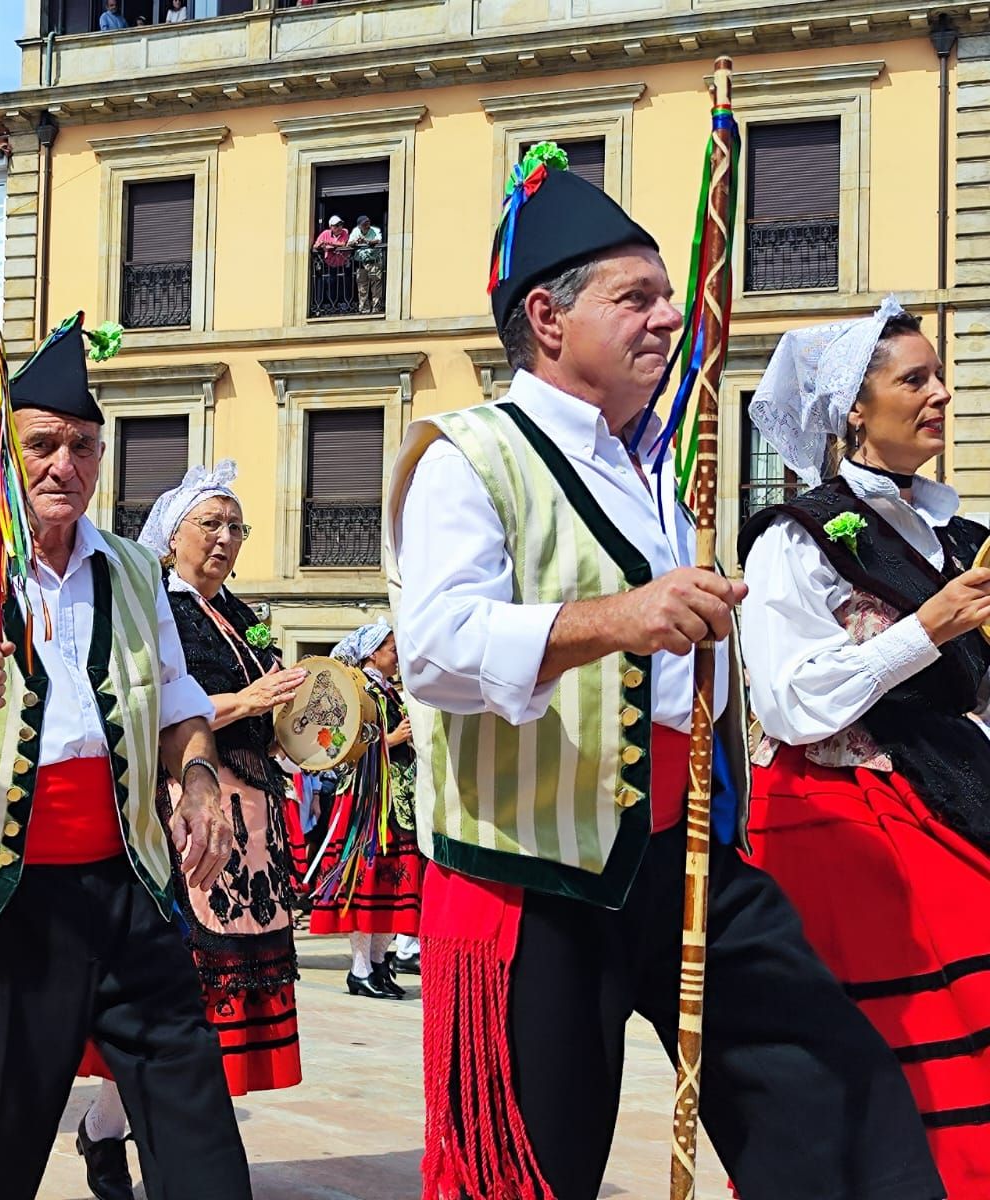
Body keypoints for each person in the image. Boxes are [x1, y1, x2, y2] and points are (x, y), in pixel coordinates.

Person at [386, 145, 945, 1200]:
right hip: (535, 880)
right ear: (547, 322)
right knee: (533, 1170)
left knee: (831, 1087)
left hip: (681, 854)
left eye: (666, 297)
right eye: (634, 298)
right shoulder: (468, 455)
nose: (664, 318)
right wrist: (624, 617)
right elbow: (437, 648)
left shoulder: (652, 463)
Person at [0, 312, 251, 1200]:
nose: (67, 466)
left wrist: (203, 775)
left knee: (198, 1131)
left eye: (85, 448)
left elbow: (176, 706)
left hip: (129, 886)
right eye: (45, 445)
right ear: (0, 452)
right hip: (4, 899)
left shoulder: (137, 571)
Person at [739, 298, 990, 1192]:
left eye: (939, 376)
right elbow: (790, 700)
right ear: (854, 406)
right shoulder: (794, 538)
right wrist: (926, 625)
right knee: (901, 1046)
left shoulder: (946, 530)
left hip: (943, 795)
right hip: (840, 818)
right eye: (914, 379)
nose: (942, 394)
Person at [70, 461, 307, 1200]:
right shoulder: (157, 605)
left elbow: (261, 719)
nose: (227, 539)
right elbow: (166, 710)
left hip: (252, 825)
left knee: (204, 1006)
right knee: (183, 995)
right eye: (212, 524)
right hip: (187, 813)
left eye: (236, 527)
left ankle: (118, 1134)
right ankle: (119, 1134)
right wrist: (247, 699)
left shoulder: (238, 613)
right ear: (171, 539)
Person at [304, 621, 419, 999]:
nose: (396, 653)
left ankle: (379, 963)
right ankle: (360, 967)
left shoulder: (391, 692)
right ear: (372, 652)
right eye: (390, 646)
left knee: (392, 882)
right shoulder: (355, 690)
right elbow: (339, 743)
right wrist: (390, 739)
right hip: (368, 799)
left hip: (396, 798)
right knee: (366, 879)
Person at [347, 215, 384, 315]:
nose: (367, 225)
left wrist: (367, 241)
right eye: (364, 223)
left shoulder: (375, 230)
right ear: (359, 226)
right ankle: (364, 309)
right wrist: (355, 242)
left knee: (376, 286)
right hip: (361, 263)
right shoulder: (355, 231)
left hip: (374, 261)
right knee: (362, 287)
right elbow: (348, 244)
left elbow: (378, 240)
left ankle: (376, 307)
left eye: (368, 222)